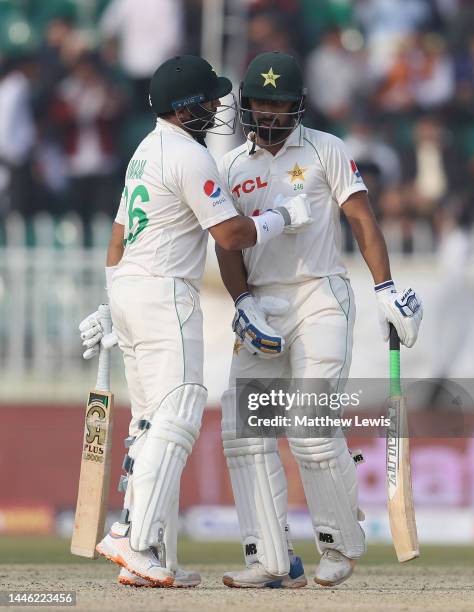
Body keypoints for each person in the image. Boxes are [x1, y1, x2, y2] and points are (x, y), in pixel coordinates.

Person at [77, 54, 312, 588]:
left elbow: (116, 241)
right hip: (165, 294)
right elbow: (229, 236)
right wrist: (282, 217)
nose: (217, 107)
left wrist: (112, 303)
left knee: (149, 422)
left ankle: (151, 551)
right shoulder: (189, 154)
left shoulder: (143, 151)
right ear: (186, 109)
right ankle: (132, 537)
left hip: (131, 289)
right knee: (180, 410)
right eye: (208, 100)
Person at [216, 51, 423, 588]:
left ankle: (341, 543)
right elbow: (226, 247)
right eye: (259, 104)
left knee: (309, 428)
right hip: (262, 304)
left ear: (297, 107)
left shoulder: (327, 149)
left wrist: (385, 289)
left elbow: (361, 218)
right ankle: (269, 557)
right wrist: (241, 301)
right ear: (245, 107)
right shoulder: (232, 167)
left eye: (279, 105)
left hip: (320, 297)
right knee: (243, 433)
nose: (268, 115)